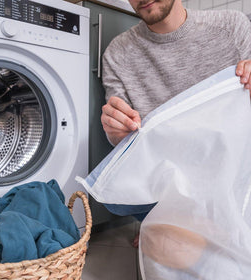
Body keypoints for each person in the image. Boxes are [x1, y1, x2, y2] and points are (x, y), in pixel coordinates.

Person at [100, 0, 251, 247]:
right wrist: (115, 129)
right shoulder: (118, 52)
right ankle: (180, 225)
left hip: (228, 168)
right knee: (112, 189)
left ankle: (172, 227)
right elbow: (123, 140)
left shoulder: (231, 26)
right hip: (170, 176)